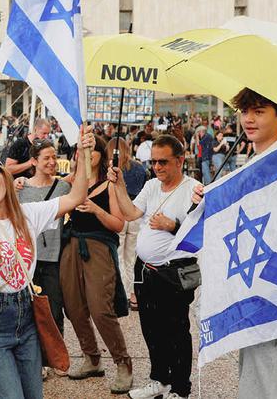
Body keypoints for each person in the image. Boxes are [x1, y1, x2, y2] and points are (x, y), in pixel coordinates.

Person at [193, 88, 277, 399]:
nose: (248, 119)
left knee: (271, 385)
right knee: (257, 380)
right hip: (253, 291)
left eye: (258, 111)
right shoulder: (248, 169)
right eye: (245, 111)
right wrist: (209, 203)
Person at [0, 127, 94, 399]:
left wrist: (84, 156)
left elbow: (76, 197)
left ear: (3, 175)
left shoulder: (28, 214)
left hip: (26, 314)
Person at [107, 134, 201, 399]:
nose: (157, 167)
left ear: (180, 161)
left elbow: (199, 235)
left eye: (163, 162)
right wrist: (119, 185)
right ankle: (159, 379)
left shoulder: (193, 189)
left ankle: (181, 388)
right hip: (145, 270)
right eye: (154, 162)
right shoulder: (151, 185)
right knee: (151, 330)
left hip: (174, 273)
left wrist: (173, 226)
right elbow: (130, 213)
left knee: (177, 331)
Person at [61, 135, 132, 393]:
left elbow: (120, 224)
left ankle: (123, 364)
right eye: (82, 151)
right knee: (74, 306)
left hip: (99, 248)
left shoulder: (109, 185)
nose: (86, 155)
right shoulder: (70, 183)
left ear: (102, 155)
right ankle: (91, 357)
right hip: (71, 248)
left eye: (92, 151)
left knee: (101, 308)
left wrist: (96, 210)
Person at [16, 139, 71, 379]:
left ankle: (52, 357)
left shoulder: (63, 187)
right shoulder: (19, 188)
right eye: (46, 158)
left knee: (52, 308)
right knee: (27, 310)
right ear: (34, 161)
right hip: (26, 258)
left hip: (52, 257)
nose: (51, 162)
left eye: (54, 157)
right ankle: (33, 358)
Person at [106, 138, 147, 311]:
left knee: (118, 256)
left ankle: (121, 293)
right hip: (136, 212)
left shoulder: (112, 168)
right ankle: (133, 295)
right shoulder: (138, 167)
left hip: (118, 211)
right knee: (132, 257)